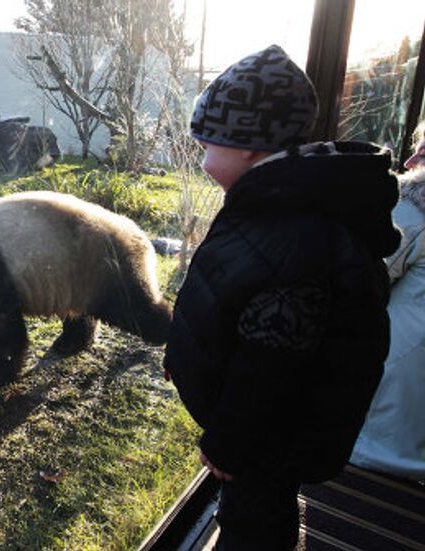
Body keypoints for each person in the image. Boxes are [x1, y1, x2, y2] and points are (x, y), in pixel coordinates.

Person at [162, 44, 401, 550]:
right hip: (272, 423)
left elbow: (272, 359)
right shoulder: (277, 200)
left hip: (271, 432)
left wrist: (228, 443)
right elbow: (236, 295)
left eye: (208, 146)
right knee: (254, 504)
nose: (202, 161)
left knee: (254, 517)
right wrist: (187, 353)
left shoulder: (296, 228)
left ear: (247, 145)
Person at [350, 121, 425, 480]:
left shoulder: (413, 211)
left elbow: (359, 277)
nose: (410, 162)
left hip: (399, 359)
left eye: (423, 152)